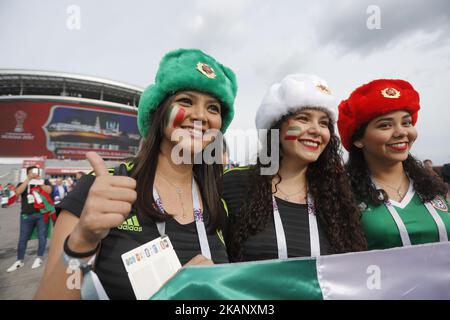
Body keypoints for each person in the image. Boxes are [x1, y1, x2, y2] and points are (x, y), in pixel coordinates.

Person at [35, 48, 237, 299]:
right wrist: (82, 240)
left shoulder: (218, 203)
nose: (200, 116)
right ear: (159, 112)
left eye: (213, 108)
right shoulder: (102, 187)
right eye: (186, 101)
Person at [224, 74, 367, 262]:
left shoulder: (337, 195)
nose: (316, 130)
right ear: (277, 127)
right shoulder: (233, 184)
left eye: (323, 123)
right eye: (303, 119)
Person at [338, 79, 450, 250]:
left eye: (406, 123)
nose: (401, 132)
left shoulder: (432, 186)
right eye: (385, 125)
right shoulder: (343, 195)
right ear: (359, 140)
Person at [6, 166, 52, 272]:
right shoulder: (23, 182)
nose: (35, 173)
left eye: (36, 171)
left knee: (42, 236)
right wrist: (28, 179)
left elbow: (49, 191)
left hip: (42, 214)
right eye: (32, 172)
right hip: (26, 215)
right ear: (27, 173)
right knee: (23, 238)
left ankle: (39, 257)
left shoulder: (43, 181)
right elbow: (18, 192)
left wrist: (39, 181)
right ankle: (19, 260)